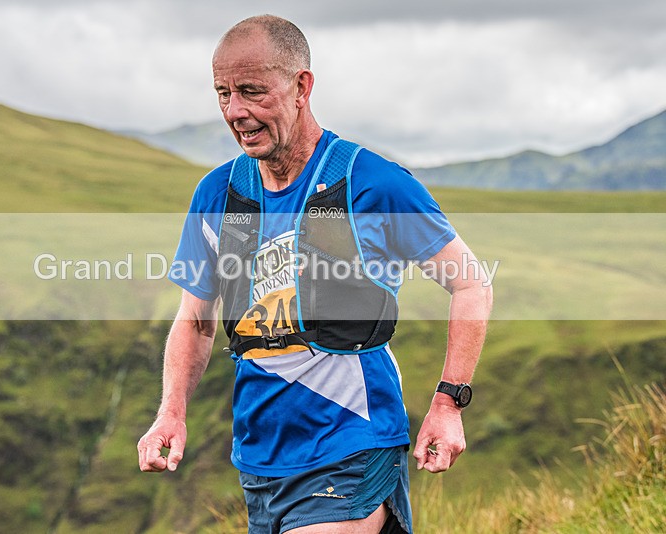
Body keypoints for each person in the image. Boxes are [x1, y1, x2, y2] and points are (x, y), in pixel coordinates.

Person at [138, 14, 493, 534]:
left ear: (301, 86)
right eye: (223, 94)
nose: (235, 111)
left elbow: (471, 283)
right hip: (260, 459)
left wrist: (448, 402)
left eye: (252, 92)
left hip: (354, 444)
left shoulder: (371, 183)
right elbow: (196, 319)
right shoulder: (216, 195)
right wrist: (171, 411)